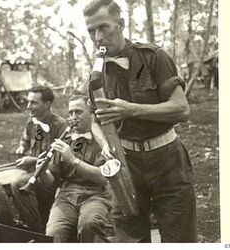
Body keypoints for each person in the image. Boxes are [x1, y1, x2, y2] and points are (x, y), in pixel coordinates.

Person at [83, 0, 197, 243]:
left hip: (167, 160)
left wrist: (131, 110)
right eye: (91, 31)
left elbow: (181, 109)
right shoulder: (96, 71)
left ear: (121, 24)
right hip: (126, 166)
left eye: (103, 28)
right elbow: (94, 119)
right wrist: (105, 144)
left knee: (180, 239)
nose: (97, 37)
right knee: (129, 240)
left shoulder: (154, 57)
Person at [35, 94, 112, 242]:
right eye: (70, 113)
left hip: (96, 194)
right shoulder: (67, 140)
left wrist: (73, 160)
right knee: (53, 232)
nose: (73, 117)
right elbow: (52, 182)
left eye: (78, 112)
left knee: (89, 225)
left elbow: (103, 178)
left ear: (91, 114)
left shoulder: (103, 141)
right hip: (67, 195)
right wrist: (43, 172)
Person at [10, 85, 68, 233]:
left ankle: (37, 231)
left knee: (17, 183)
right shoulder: (32, 122)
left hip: (53, 177)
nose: (28, 106)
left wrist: (32, 160)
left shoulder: (61, 126)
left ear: (47, 104)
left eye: (34, 103)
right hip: (33, 173)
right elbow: (25, 139)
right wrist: (22, 147)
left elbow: (59, 162)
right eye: (28, 102)